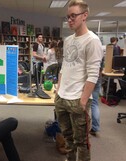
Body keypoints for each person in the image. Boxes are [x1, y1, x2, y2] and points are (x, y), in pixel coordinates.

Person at [54, 1, 103, 161]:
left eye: (73, 16)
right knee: (67, 138)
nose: (70, 19)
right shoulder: (68, 40)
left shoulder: (92, 40)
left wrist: (83, 101)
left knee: (81, 142)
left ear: (84, 16)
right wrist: (58, 91)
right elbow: (64, 68)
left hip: (78, 100)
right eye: (68, 16)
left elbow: (93, 74)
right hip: (62, 97)